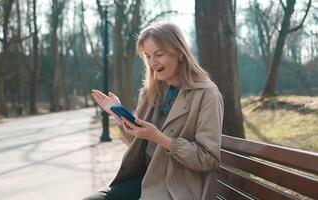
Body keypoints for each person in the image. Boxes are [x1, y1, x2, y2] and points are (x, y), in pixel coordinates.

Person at [85, 22, 224, 200]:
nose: (152, 63)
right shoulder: (150, 91)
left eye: (159, 54)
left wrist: (160, 138)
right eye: (147, 56)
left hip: (177, 187)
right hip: (146, 179)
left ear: (180, 52)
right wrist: (121, 118)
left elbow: (208, 159)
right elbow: (138, 142)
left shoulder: (207, 93)